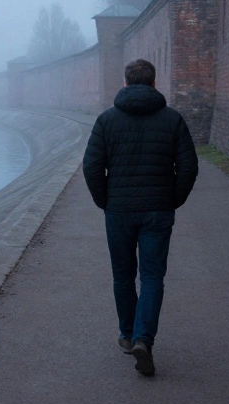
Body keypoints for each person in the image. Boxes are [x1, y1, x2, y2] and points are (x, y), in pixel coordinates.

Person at [82, 59, 198, 376]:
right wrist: (172, 199)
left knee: (122, 275)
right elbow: (188, 167)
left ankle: (127, 334)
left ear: (125, 83)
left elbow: (91, 166)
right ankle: (144, 339)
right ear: (154, 83)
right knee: (151, 277)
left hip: (118, 211)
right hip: (158, 210)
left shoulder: (106, 120)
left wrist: (104, 200)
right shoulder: (172, 120)